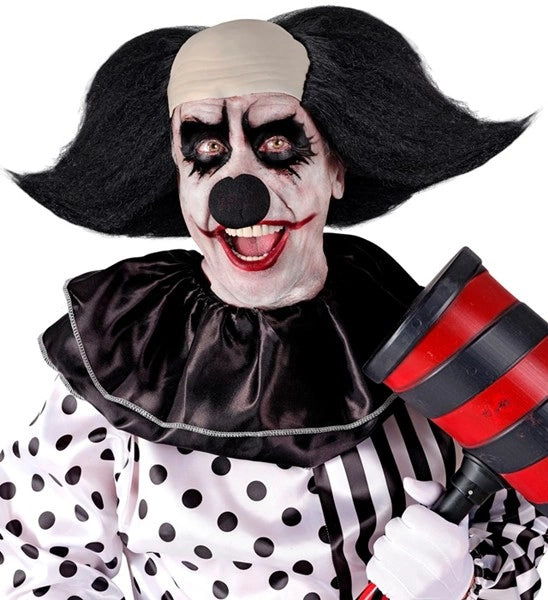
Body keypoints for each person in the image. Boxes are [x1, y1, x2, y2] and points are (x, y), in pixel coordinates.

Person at [0, 7, 546, 599]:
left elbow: (521, 534)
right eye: (206, 148)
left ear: (336, 169)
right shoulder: (119, 360)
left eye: (278, 143)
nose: (238, 192)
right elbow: (38, 561)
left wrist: (465, 585)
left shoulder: (440, 354)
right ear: (178, 182)